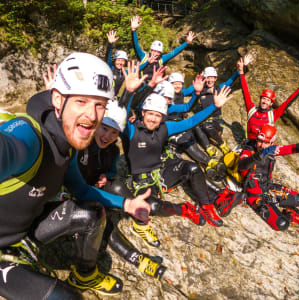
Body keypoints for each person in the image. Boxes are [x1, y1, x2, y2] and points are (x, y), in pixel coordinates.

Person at [0, 52, 152, 298]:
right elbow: (9, 148)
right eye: (81, 101)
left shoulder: (66, 144)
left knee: (93, 215)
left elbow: (80, 189)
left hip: (25, 232)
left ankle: (85, 275)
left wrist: (127, 203)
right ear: (58, 101)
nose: (92, 116)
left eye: (99, 104)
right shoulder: (30, 137)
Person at [120, 66, 233, 246]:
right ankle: (185, 209)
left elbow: (191, 121)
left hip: (162, 172)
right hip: (141, 180)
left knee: (193, 168)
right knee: (153, 207)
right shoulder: (132, 130)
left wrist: (214, 106)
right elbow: (121, 116)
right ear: (143, 113)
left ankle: (206, 206)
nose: (153, 119)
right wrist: (128, 92)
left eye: (158, 116)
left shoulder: (165, 128)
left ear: (162, 117)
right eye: (150, 114)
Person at [75, 99, 166, 280]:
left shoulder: (113, 151)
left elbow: (112, 171)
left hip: (94, 187)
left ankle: (138, 220)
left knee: (117, 184)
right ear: (96, 124)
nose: (107, 136)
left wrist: (105, 176)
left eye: (114, 132)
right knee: (98, 216)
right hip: (77, 194)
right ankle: (136, 257)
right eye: (104, 128)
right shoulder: (81, 145)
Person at [238, 124, 299, 231]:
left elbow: (291, 148)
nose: (262, 145)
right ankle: (290, 215)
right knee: (282, 224)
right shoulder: (248, 151)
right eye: (260, 141)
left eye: (266, 143)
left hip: (268, 189)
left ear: (272, 143)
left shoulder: (271, 150)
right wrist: (258, 156)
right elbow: (242, 165)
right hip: (255, 196)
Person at [237, 55, 299, 144]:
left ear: (271, 103)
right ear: (260, 100)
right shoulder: (251, 109)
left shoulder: (273, 114)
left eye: (268, 100)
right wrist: (241, 72)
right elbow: (245, 91)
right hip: (249, 144)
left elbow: (287, 103)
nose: (264, 101)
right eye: (263, 98)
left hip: (263, 147)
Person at [192, 65, 241, 157]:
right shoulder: (201, 90)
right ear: (204, 78)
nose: (210, 80)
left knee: (206, 125)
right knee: (196, 126)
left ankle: (221, 144)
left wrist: (240, 69)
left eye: (212, 77)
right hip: (204, 120)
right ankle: (208, 148)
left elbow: (231, 80)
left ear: (215, 78)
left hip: (216, 122)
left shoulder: (219, 88)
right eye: (207, 78)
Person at [130, 15, 196, 81]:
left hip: (156, 85)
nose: (156, 53)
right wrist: (134, 30)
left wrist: (186, 42)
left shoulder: (162, 59)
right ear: (150, 50)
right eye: (154, 51)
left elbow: (174, 52)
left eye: (158, 52)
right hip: (143, 84)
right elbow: (136, 45)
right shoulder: (143, 56)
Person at [104, 30, 129, 96]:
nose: (120, 63)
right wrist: (110, 44)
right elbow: (107, 57)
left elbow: (140, 68)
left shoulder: (126, 72)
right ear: (114, 61)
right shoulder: (110, 67)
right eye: (118, 60)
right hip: (106, 96)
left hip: (116, 100)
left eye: (123, 60)